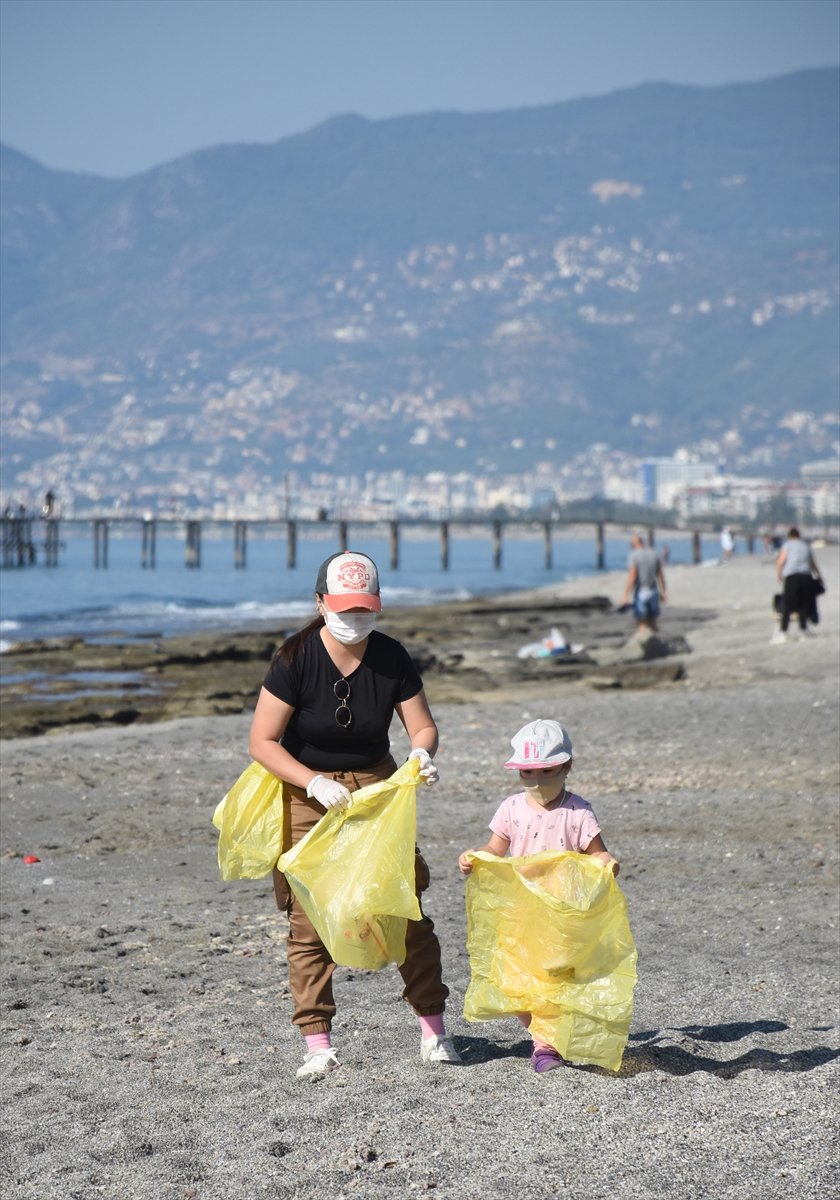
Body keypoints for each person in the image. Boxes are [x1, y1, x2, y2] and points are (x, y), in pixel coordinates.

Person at [248, 550, 462, 1080]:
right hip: (305, 792)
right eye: (343, 608)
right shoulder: (295, 658)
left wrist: (421, 755)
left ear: (378, 606)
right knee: (308, 920)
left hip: (376, 786)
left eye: (364, 609)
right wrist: (313, 781)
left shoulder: (391, 657)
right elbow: (262, 741)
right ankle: (317, 1043)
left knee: (402, 906)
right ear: (320, 603)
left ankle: (434, 1032)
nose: (353, 619)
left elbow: (423, 726)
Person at [458, 718, 619, 1074]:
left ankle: (545, 1046)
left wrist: (606, 863)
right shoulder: (512, 808)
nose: (536, 781)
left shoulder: (578, 811)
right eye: (527, 773)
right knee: (515, 981)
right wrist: (475, 858)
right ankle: (542, 1033)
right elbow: (494, 848)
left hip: (561, 911)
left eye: (545, 772)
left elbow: (597, 852)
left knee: (551, 977)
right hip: (520, 909)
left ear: (566, 767)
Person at [772, 527, 824, 644]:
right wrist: (819, 575)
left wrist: (778, 575)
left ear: (790, 536)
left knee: (787, 604)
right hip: (806, 577)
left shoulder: (788, 545)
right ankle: (803, 630)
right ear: (799, 536)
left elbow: (781, 561)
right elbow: (812, 563)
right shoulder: (805, 546)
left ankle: (783, 632)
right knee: (804, 604)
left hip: (792, 577)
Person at [619, 534, 667, 633]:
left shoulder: (634, 555)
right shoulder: (654, 554)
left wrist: (625, 594)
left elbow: (633, 576)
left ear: (634, 544)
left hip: (641, 591)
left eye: (631, 544)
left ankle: (645, 644)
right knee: (653, 621)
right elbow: (660, 575)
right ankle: (655, 644)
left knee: (641, 621)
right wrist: (663, 591)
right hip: (653, 591)